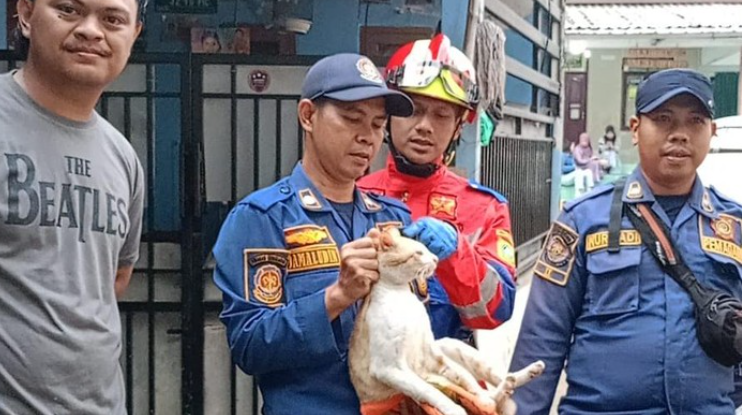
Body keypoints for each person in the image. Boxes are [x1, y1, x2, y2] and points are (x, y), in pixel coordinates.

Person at [213, 53, 467, 414]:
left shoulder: (393, 219)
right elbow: (250, 346)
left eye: (378, 124)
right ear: (308, 116)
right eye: (352, 119)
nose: (367, 137)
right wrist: (336, 297)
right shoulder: (264, 218)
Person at [510, 68, 742, 414]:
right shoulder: (583, 220)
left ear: (712, 132)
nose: (679, 134)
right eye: (663, 119)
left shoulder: (733, 226)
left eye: (695, 121)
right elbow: (541, 341)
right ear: (636, 129)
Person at [0, 0, 145, 413]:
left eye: (113, 19)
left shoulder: (122, 157)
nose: (91, 31)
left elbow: (115, 278)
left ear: (133, 35)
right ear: (25, 14)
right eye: (68, 9)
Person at [357, 34, 517, 342]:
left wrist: (457, 253)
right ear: (389, 114)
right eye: (413, 110)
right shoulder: (354, 195)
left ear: (459, 125)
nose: (425, 126)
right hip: (367, 380)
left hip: (446, 382)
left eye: (442, 115)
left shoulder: (484, 207)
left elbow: (498, 310)